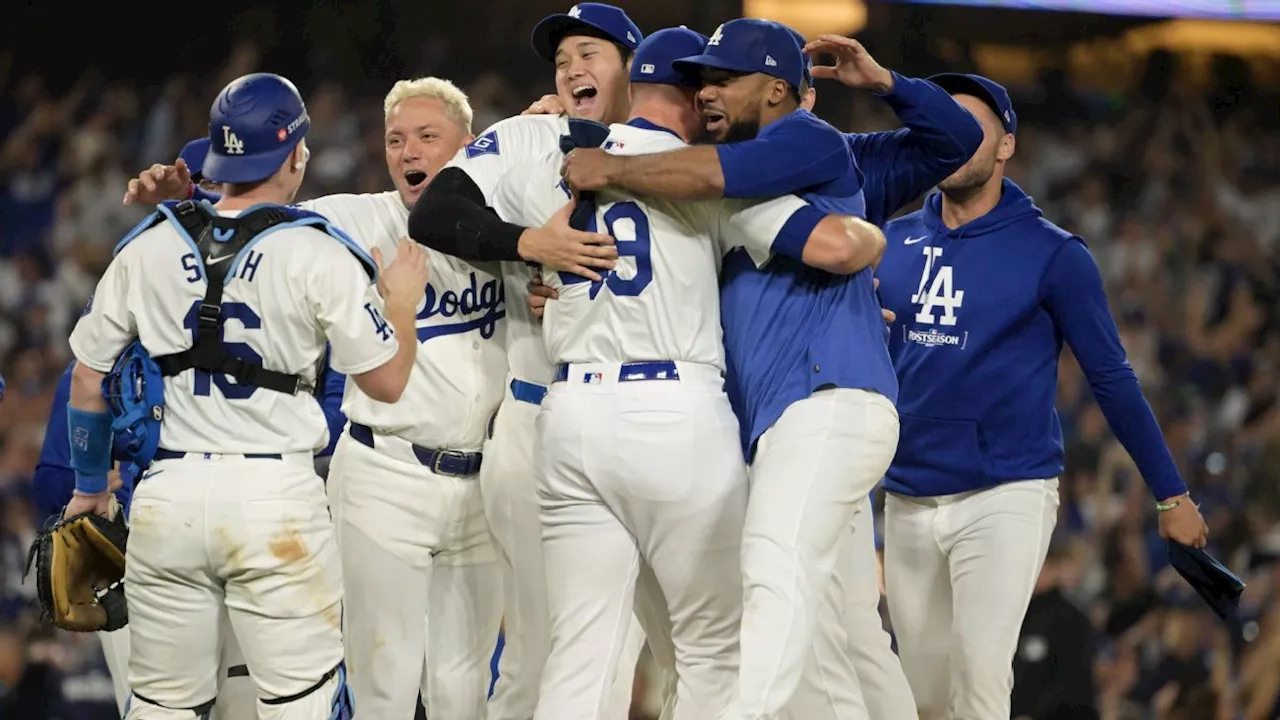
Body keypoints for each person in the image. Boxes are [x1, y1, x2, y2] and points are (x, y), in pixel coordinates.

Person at [559, 21, 982, 719]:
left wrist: (885, 84)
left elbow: (953, 144)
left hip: (826, 400)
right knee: (840, 631)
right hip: (780, 421)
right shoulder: (712, 188)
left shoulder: (810, 141)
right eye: (702, 82)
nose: (710, 92)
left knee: (773, 564)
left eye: (726, 78)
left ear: (781, 91)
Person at [122, 76, 514, 719]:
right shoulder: (353, 218)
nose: (408, 151)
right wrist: (186, 196)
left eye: (426, 136)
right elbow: (247, 212)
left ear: (469, 147)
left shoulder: (503, 230)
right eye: (395, 139)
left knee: (465, 685)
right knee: (380, 681)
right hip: (385, 471)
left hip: (480, 480)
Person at [68, 71, 426, 719]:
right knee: (299, 705)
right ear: (294, 155)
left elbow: (88, 379)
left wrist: (91, 487)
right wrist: (399, 307)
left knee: (162, 707)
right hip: (274, 501)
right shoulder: (317, 251)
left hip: (166, 501)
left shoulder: (146, 245)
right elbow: (388, 381)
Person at [874, 73, 1208, 720]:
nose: (954, 139)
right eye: (941, 125)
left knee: (979, 675)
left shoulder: (1053, 254)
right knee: (922, 695)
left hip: (1005, 491)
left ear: (1007, 146)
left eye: (972, 129)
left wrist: (1171, 494)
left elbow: (1111, 379)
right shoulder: (888, 243)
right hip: (909, 495)